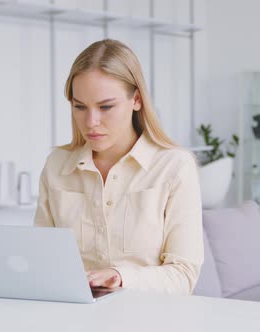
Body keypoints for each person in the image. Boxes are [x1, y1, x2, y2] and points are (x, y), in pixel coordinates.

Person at [34, 39, 203, 295]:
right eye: (79, 106)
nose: (91, 122)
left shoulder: (174, 167)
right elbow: (41, 260)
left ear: (136, 99)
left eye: (106, 107)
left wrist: (121, 277)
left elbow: (183, 275)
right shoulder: (57, 165)